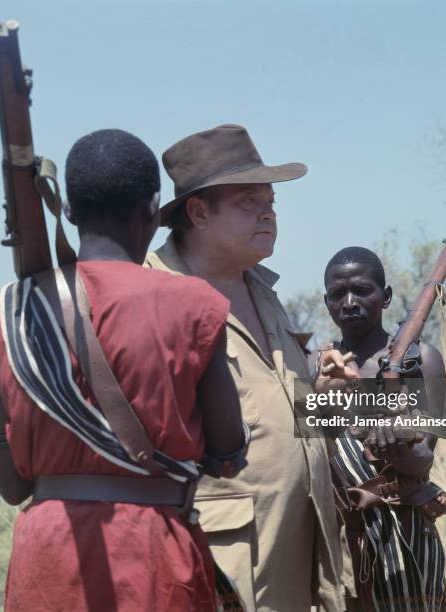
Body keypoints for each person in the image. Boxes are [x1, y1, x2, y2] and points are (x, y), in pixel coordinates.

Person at [0, 128, 248, 612]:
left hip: (47, 563)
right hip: (153, 557)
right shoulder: (196, 304)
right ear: (152, 206)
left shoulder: (10, 310)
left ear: (68, 210)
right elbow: (227, 455)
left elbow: (11, 485)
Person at [145, 124, 353, 612]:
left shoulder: (261, 290)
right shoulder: (153, 298)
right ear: (198, 213)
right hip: (220, 564)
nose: (269, 213)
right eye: (248, 201)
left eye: (272, 202)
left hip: (296, 554)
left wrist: (320, 389)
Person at [316, 246, 446, 612]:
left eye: (362, 290)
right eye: (338, 294)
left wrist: (398, 442)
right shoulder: (317, 369)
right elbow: (308, 461)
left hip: (406, 536)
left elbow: (422, 461)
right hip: (337, 538)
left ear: (386, 296)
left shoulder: (419, 362)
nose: (349, 302)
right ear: (327, 301)